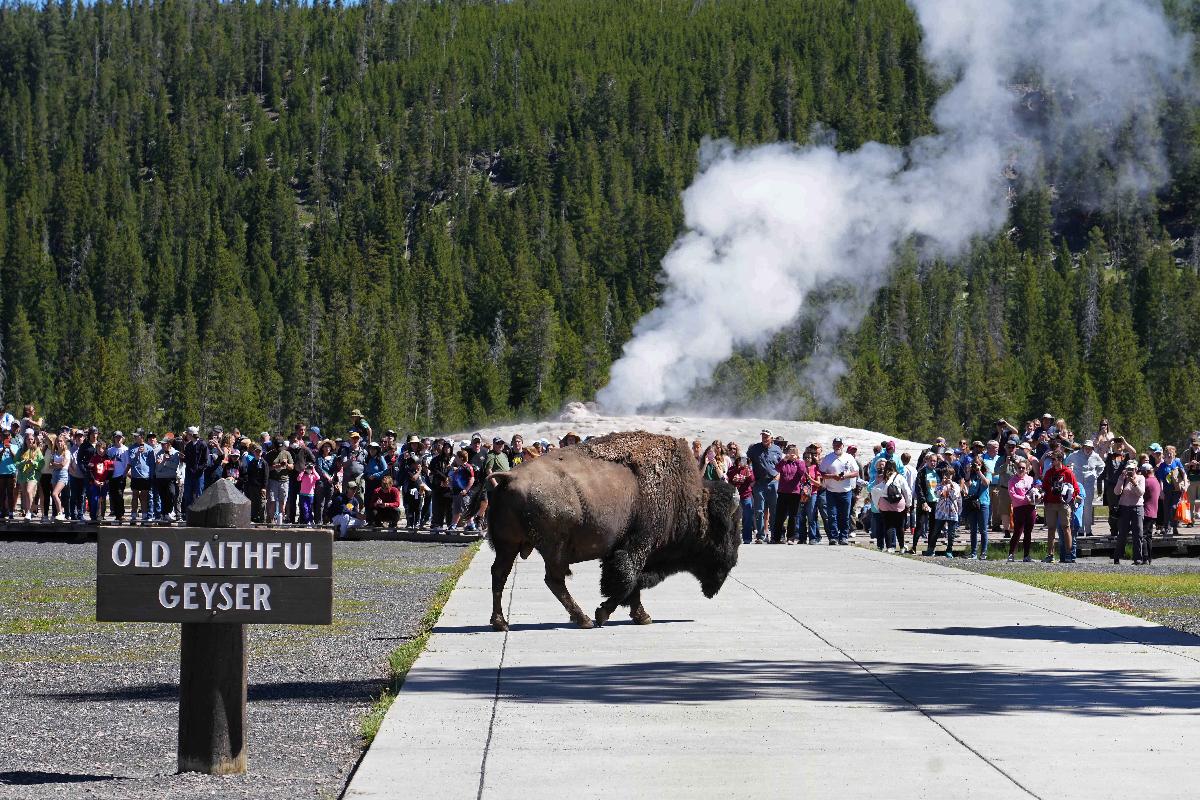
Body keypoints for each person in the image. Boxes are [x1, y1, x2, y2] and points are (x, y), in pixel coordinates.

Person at [1041, 449, 1081, 563]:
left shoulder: (1067, 473)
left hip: (1063, 505)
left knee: (1066, 528)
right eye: (1051, 459)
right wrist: (1043, 496)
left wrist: (1069, 498)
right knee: (1051, 529)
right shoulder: (1049, 472)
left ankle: (1068, 555)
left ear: (1060, 460)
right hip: (1050, 504)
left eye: (1054, 459)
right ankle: (1051, 555)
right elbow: (1044, 487)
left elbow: (1076, 489)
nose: (1052, 461)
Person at [819, 436, 858, 545]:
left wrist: (846, 476)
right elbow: (822, 474)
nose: (837, 447)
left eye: (839, 445)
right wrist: (833, 476)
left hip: (846, 491)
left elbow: (856, 472)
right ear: (833, 446)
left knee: (845, 515)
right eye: (835, 445)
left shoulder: (849, 457)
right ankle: (834, 536)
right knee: (832, 515)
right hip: (831, 491)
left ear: (843, 446)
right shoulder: (827, 458)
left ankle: (843, 536)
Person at [748, 430, 784, 544]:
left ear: (771, 438)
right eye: (763, 436)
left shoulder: (777, 449)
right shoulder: (755, 448)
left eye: (767, 437)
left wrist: (779, 475)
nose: (765, 438)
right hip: (759, 483)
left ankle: (775, 535)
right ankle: (760, 535)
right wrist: (749, 473)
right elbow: (747, 461)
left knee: (775, 510)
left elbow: (781, 464)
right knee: (759, 510)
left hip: (773, 482)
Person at [1066, 439, 1104, 536]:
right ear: (1083, 447)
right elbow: (1066, 462)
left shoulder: (1095, 456)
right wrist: (1070, 473)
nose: (1088, 450)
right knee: (1078, 506)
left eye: (1090, 448)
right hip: (1078, 484)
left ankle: (1088, 530)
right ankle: (1080, 530)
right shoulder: (1076, 454)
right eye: (1086, 448)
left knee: (1088, 506)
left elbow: (1102, 465)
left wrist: (1096, 475)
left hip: (1089, 484)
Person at [870, 460, 910, 552]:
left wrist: (877, 505)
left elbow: (874, 490)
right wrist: (908, 504)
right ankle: (902, 547)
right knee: (899, 527)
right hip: (898, 503)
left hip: (884, 502)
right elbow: (907, 492)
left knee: (888, 526)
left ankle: (889, 548)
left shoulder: (881, 477)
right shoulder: (900, 477)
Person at [1113, 460, 1146, 565]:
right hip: (1124, 507)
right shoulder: (1122, 478)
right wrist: (1121, 480)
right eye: (1128, 469)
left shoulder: (1141, 478)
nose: (1130, 471)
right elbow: (1116, 492)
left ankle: (1138, 558)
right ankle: (1117, 557)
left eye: (1132, 469)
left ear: (1136, 469)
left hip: (1137, 507)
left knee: (1138, 533)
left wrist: (1134, 483)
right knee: (1122, 533)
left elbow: (1140, 493)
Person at [924, 466, 961, 557]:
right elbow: (937, 494)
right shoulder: (940, 485)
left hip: (952, 511)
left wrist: (950, 485)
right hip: (941, 511)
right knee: (936, 531)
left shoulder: (956, 485)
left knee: (951, 533)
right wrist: (943, 486)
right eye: (945, 474)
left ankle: (949, 550)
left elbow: (955, 495)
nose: (947, 476)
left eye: (949, 474)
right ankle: (931, 549)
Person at [773, 445, 805, 544]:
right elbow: (777, 469)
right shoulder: (784, 462)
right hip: (783, 491)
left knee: (793, 516)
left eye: (794, 452)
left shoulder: (799, 463)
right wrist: (784, 460)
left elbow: (803, 471)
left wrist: (797, 461)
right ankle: (777, 537)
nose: (792, 454)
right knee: (780, 515)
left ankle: (791, 537)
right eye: (790, 452)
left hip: (794, 492)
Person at [1006, 460, 1036, 562]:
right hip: (1019, 508)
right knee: (1017, 532)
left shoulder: (1031, 479)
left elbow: (1036, 490)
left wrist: (1037, 497)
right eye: (1019, 468)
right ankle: (1011, 554)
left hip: (1030, 508)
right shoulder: (1012, 481)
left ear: (1027, 469)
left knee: (1028, 532)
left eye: (1023, 468)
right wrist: (1025, 499)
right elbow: (1013, 495)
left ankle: (1026, 555)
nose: (1021, 469)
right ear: (1016, 469)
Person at [909, 451, 939, 553]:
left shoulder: (938, 472)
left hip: (935, 501)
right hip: (925, 501)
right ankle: (914, 546)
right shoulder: (922, 472)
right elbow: (919, 488)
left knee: (933, 526)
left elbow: (950, 470)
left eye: (935, 461)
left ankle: (931, 547)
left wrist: (943, 460)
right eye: (931, 461)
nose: (933, 463)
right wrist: (923, 502)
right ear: (927, 461)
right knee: (920, 524)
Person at [963, 455, 991, 559]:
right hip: (972, 504)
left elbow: (986, 483)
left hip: (983, 503)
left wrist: (979, 472)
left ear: (982, 464)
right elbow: (967, 483)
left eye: (978, 464)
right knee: (973, 529)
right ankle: (973, 553)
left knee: (983, 529)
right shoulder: (971, 475)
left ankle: (983, 553)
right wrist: (970, 471)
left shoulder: (987, 474)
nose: (976, 466)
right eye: (975, 464)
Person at [127, 430, 157, 522]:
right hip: (135, 475)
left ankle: (144, 515)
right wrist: (137, 454)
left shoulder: (149, 449)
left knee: (144, 496)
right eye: (134, 436)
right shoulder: (132, 448)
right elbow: (132, 462)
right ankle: (134, 515)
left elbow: (152, 464)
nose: (135, 437)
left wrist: (151, 475)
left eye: (137, 436)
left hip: (146, 476)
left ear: (142, 437)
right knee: (135, 495)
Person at [727, 455, 755, 544]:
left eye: (744, 460)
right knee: (733, 517)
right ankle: (732, 537)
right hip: (734, 496)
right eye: (740, 460)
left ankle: (747, 537)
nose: (742, 462)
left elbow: (751, 480)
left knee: (747, 516)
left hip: (745, 495)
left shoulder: (748, 470)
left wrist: (746, 469)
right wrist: (738, 468)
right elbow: (729, 475)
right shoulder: (733, 469)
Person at [429, 441, 455, 532]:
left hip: (450, 487)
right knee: (439, 507)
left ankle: (450, 525)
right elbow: (434, 469)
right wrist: (444, 478)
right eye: (445, 447)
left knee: (450, 508)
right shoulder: (437, 459)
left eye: (449, 447)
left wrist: (449, 478)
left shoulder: (454, 459)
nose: (447, 449)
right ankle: (438, 524)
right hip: (438, 486)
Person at [267, 436, 293, 524]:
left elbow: (292, 467)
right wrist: (275, 466)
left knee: (282, 501)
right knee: (272, 500)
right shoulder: (269, 455)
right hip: (273, 480)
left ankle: (280, 518)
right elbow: (266, 469)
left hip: (284, 480)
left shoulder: (287, 453)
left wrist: (286, 464)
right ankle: (271, 519)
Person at [16, 432, 43, 518]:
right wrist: (23, 462)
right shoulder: (21, 451)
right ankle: (26, 511)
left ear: (34, 440)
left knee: (28, 491)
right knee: (24, 494)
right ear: (25, 440)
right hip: (23, 475)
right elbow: (16, 463)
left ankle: (29, 512)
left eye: (32, 439)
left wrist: (33, 462)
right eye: (28, 439)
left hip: (33, 475)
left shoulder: (37, 451)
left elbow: (41, 464)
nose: (30, 441)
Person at [155, 438, 182, 522]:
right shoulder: (159, 453)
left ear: (169, 444)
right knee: (163, 496)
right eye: (162, 444)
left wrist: (164, 463)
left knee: (171, 493)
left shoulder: (175, 453)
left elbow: (175, 466)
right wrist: (163, 461)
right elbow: (158, 468)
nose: (162, 445)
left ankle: (169, 512)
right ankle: (164, 514)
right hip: (160, 477)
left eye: (164, 444)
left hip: (171, 477)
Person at [183, 427, 209, 512]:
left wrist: (199, 469)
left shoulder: (203, 445)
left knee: (199, 495)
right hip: (189, 474)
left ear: (191, 435)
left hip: (198, 475)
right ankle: (188, 515)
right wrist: (182, 458)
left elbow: (206, 461)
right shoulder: (188, 446)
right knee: (188, 496)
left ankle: (199, 514)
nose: (186, 436)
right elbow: (187, 459)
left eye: (187, 434)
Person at [85, 442, 113, 522]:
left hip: (104, 483)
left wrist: (104, 482)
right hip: (95, 483)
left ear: (104, 449)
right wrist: (95, 480)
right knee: (95, 498)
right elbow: (90, 470)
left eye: (99, 449)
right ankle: (93, 516)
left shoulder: (108, 459)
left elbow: (110, 473)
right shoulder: (94, 458)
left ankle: (102, 515)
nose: (98, 450)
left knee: (103, 499)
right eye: (96, 449)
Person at [450, 450, 475, 528]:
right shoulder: (460, 467)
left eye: (457, 457)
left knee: (465, 508)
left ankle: (471, 524)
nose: (456, 459)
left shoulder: (467, 467)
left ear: (461, 458)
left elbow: (472, 479)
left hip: (463, 492)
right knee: (457, 509)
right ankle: (453, 525)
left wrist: (466, 490)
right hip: (457, 491)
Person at [1140, 459, 1160, 559]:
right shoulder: (1156, 481)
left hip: (1146, 511)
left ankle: (1144, 556)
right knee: (1149, 536)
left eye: (1142, 472)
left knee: (1143, 535)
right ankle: (1149, 557)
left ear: (1146, 472)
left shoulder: (1146, 482)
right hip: (1153, 512)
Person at [48, 434, 70, 520]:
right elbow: (50, 465)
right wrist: (57, 465)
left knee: (55, 494)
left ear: (64, 442)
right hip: (55, 474)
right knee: (57, 495)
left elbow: (63, 464)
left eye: (61, 441)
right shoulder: (54, 452)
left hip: (63, 473)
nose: (59, 443)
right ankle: (57, 512)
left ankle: (61, 512)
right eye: (58, 441)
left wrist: (55, 464)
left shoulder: (66, 452)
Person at [0, 426, 17, 519]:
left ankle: (11, 512)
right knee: (1, 492)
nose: (6, 437)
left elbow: (16, 459)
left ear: (10, 437)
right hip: (1, 472)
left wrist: (10, 450)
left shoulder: (14, 447)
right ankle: (1, 511)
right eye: (4, 435)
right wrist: (2, 450)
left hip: (11, 471)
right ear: (1, 436)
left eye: (8, 436)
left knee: (10, 493)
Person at [1185, 437, 1200, 527]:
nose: (1195, 446)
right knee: (1191, 500)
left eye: (1197, 445)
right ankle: (1190, 520)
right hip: (1191, 478)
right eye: (1194, 445)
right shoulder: (1186, 453)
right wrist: (1189, 464)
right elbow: (1181, 464)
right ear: (1191, 444)